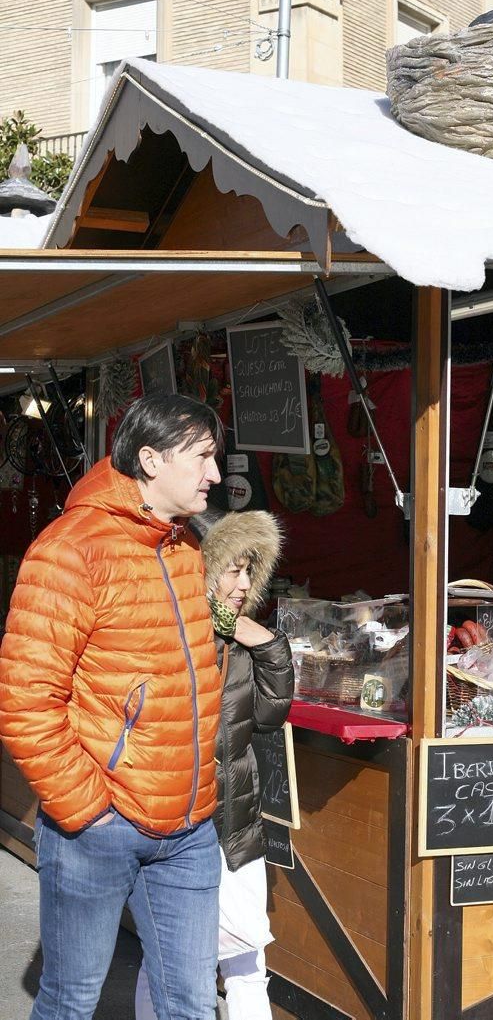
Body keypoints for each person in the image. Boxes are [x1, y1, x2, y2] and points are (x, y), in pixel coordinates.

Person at [0, 393, 225, 1020]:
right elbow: (24, 702)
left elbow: (178, 671)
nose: (215, 473)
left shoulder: (183, 547)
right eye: (203, 457)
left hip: (188, 825)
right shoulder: (70, 548)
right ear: (151, 460)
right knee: (71, 1000)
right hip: (100, 824)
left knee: (191, 1004)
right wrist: (86, 810)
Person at [135, 507, 293, 1020]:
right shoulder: (168, 634)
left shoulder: (241, 639)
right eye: (233, 569)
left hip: (237, 824)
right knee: (174, 963)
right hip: (183, 824)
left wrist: (266, 643)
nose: (244, 583)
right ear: (203, 570)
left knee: (248, 959)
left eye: (251, 570)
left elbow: (268, 715)